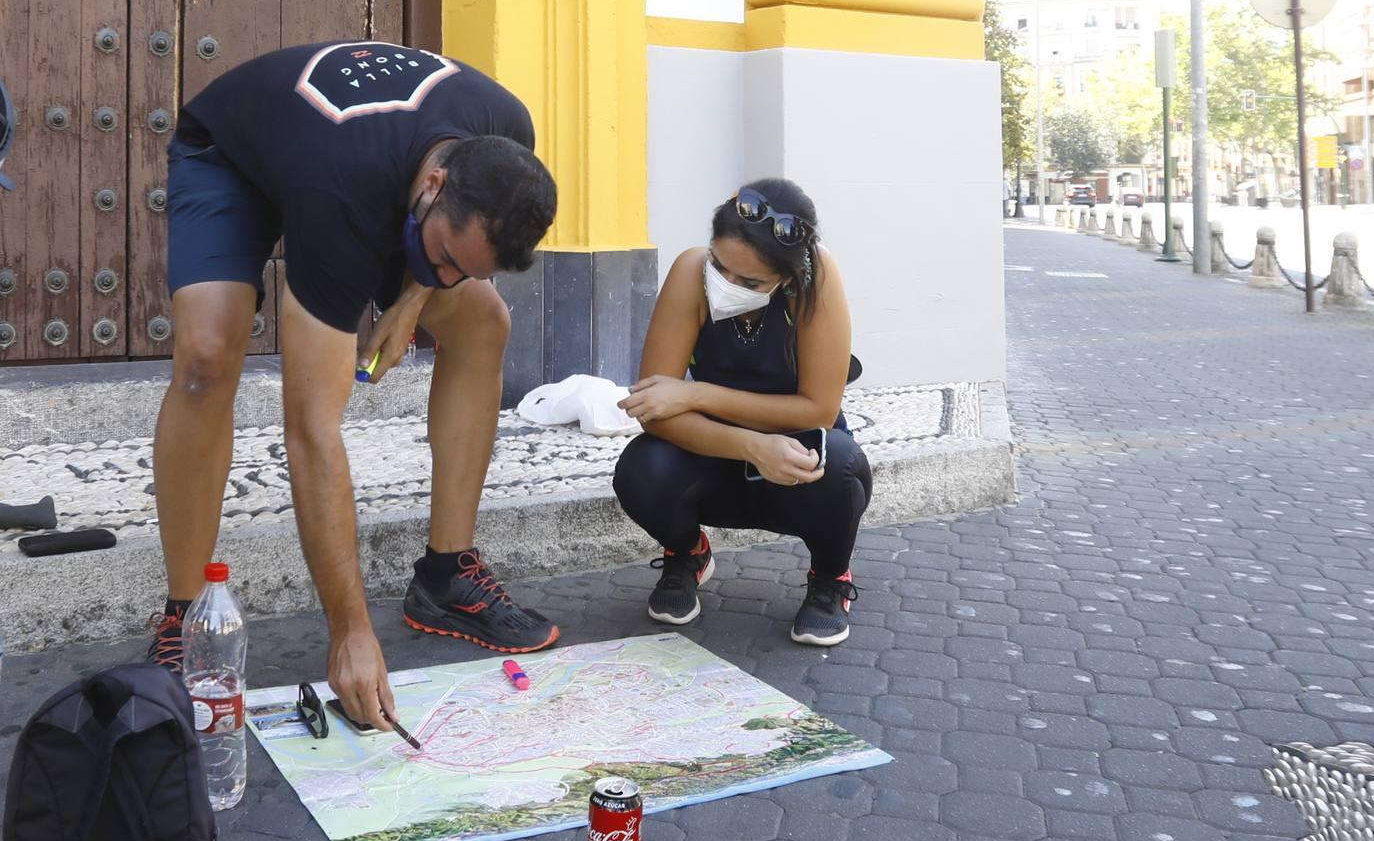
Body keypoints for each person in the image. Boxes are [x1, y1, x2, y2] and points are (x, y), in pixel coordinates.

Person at [144, 41, 560, 732]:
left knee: (483, 319)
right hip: (235, 157)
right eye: (446, 259)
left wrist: (416, 296)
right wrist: (350, 633)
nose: (450, 275)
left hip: (359, 168)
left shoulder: (504, 136)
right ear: (433, 187)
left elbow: (458, 265)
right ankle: (186, 616)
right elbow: (312, 428)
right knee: (208, 357)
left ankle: (447, 576)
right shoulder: (340, 188)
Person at [611, 179, 872, 646]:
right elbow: (654, 408)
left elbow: (819, 408)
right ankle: (687, 553)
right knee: (641, 467)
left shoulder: (817, 280)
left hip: (794, 465)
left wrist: (696, 395)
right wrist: (751, 444)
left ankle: (830, 579)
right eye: (720, 266)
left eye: (749, 282)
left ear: (788, 277)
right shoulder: (691, 272)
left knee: (838, 460)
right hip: (710, 454)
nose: (726, 285)